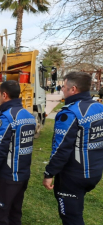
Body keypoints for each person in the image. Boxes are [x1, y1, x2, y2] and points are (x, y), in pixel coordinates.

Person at [43, 72, 103, 225]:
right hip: (94, 172)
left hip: (73, 176)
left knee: (71, 218)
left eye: (64, 86)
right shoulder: (99, 107)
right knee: (76, 210)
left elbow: (61, 148)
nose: (62, 89)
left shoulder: (70, 112)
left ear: (73, 89)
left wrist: (49, 173)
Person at [0, 80, 36, 225]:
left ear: (4, 95)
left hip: (8, 175)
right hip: (23, 174)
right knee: (14, 214)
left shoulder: (6, 117)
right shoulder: (28, 115)